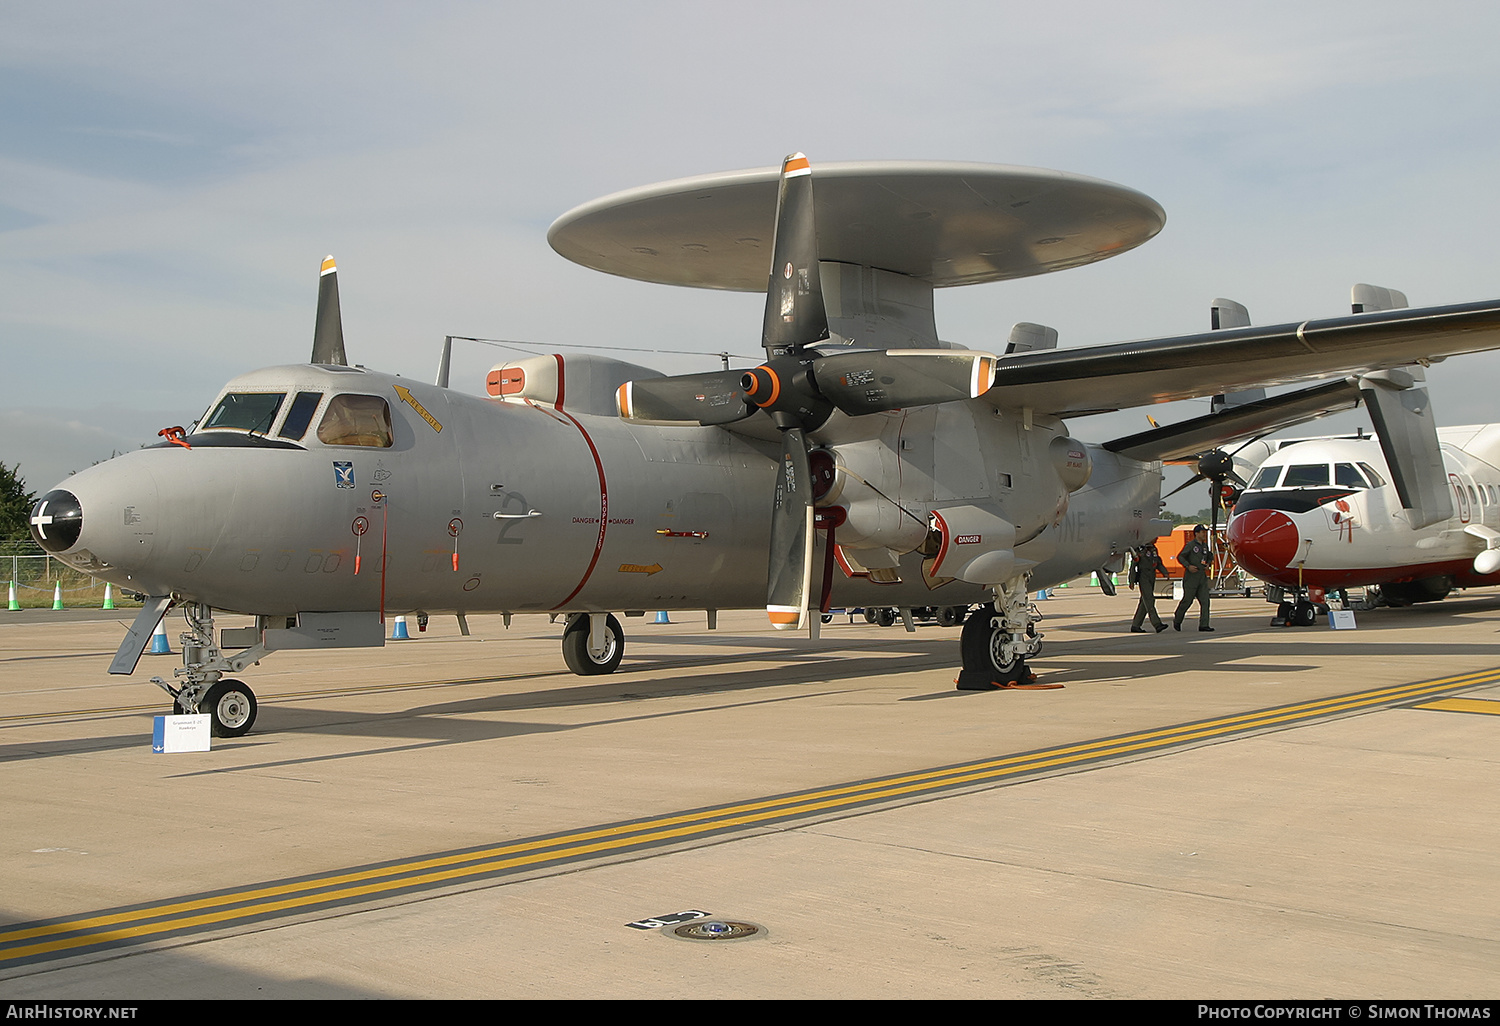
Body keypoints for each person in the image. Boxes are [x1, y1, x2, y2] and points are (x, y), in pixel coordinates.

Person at [1174, 524, 1215, 632]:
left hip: (1201, 576)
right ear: (1196, 533)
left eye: (1204, 532)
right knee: (1188, 600)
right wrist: (1188, 566)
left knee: (1205, 601)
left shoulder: (1205, 546)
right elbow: (1181, 556)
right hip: (1191, 577)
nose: (1204, 534)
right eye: (1202, 532)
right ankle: (1178, 618)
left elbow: (1210, 556)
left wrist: (1208, 563)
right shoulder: (1191, 545)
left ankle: (1204, 625)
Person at [1128, 542, 1169, 633]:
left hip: (1152, 576)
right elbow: (1133, 566)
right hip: (1144, 577)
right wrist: (1131, 581)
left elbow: (1157, 562)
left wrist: (1164, 572)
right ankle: (1157, 624)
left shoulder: (1153, 549)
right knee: (1149, 600)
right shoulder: (1140, 550)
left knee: (1144, 602)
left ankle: (1136, 625)